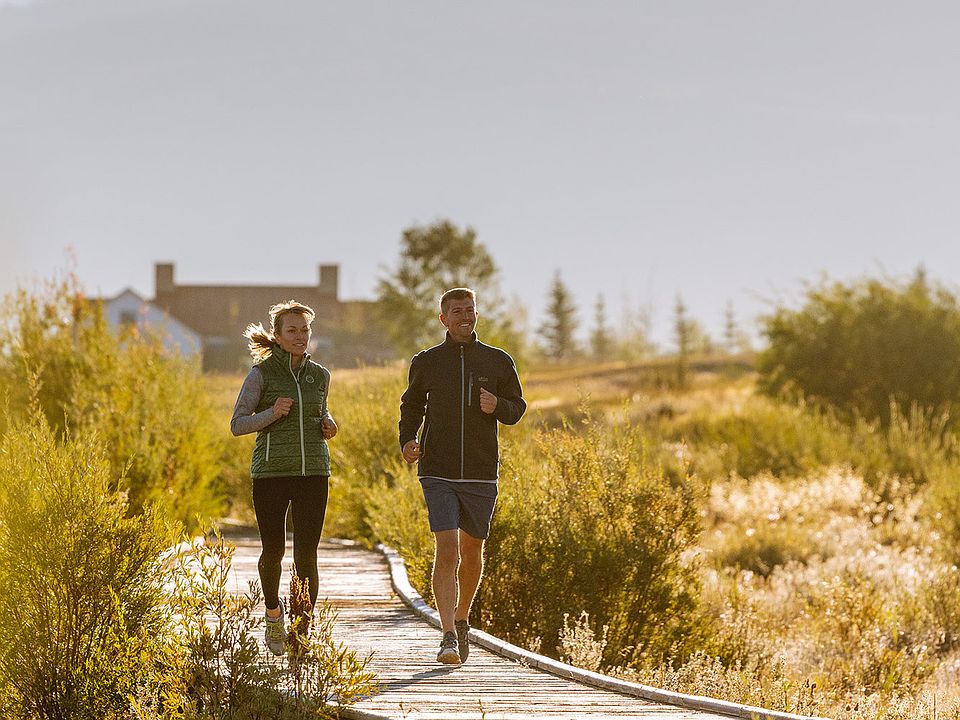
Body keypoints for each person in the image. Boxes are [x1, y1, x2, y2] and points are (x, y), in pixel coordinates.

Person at [399, 287, 526, 664]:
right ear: (444, 319)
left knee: (472, 552)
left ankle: (462, 617)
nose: (464, 316)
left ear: (475, 315)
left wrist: (497, 405)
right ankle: (448, 637)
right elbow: (411, 406)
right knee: (448, 548)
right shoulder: (427, 361)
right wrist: (408, 440)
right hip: (436, 470)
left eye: (469, 310)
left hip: (481, 471)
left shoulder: (498, 361)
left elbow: (517, 408)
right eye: (456, 311)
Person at [230, 300, 337, 656]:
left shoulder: (320, 375)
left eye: (305, 330)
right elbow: (237, 424)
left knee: (307, 555)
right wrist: (271, 414)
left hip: (314, 473)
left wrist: (329, 424)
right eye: (292, 331)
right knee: (273, 550)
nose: (300, 337)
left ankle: (302, 632)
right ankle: (274, 613)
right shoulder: (260, 375)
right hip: (272, 473)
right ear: (277, 336)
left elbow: (320, 410)